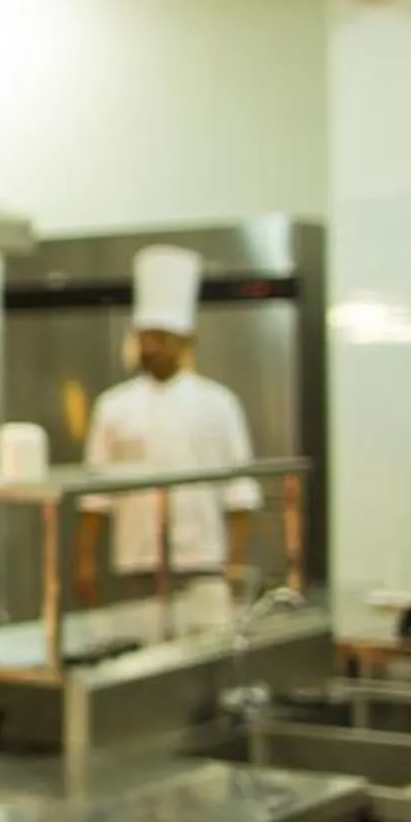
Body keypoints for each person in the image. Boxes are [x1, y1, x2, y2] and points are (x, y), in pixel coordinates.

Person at [77, 244, 262, 605]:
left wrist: (235, 566)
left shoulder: (219, 404)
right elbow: (93, 498)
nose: (152, 347)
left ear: (187, 341)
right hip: (135, 560)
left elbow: (239, 494)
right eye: (146, 337)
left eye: (162, 338)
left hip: (205, 560)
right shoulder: (113, 406)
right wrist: (85, 563)